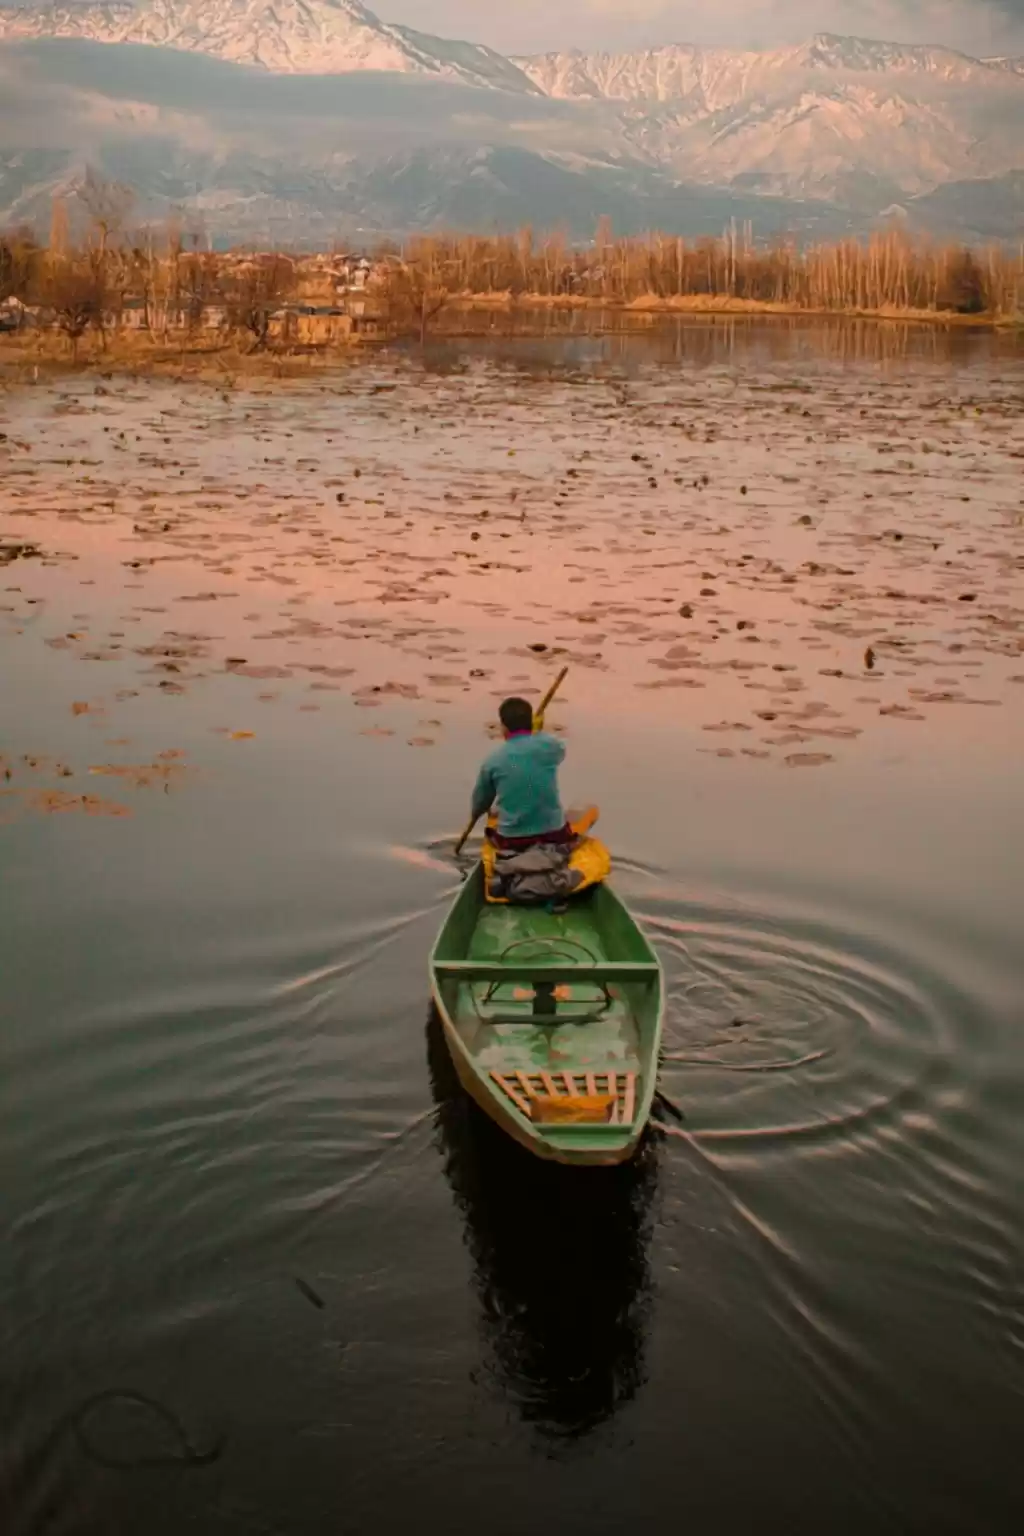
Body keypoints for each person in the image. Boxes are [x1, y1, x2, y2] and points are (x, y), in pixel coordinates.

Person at [470, 697, 572, 852]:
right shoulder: (550, 746)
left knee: (495, 816)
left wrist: (476, 814)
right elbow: (560, 751)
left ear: (503, 727)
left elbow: (480, 803)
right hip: (554, 834)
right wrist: (537, 733)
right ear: (531, 722)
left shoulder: (493, 761)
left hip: (512, 840)